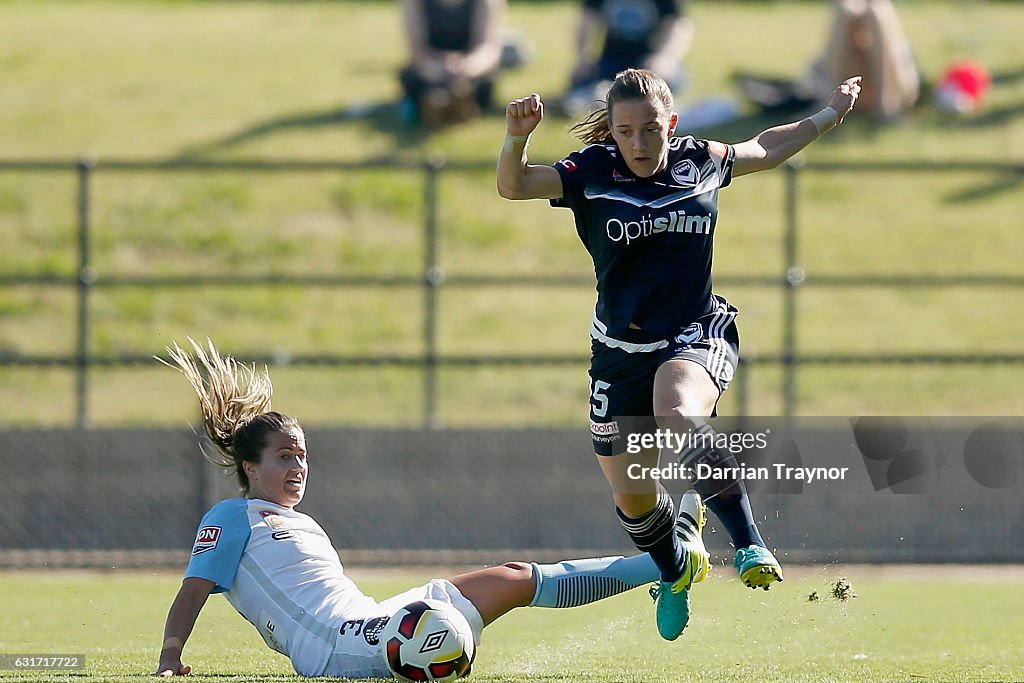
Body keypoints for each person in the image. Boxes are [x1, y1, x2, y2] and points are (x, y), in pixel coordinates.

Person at [496, 68, 861, 641]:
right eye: (625, 132)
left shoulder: (699, 161)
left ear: (672, 122)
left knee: (678, 407)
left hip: (696, 331)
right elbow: (514, 186)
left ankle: (748, 544)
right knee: (635, 500)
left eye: (650, 129)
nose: (639, 144)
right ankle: (676, 570)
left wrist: (828, 114)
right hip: (619, 352)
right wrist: (518, 135)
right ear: (611, 133)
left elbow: (766, 147)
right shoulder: (590, 172)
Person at [154, 338, 709, 677]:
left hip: (371, 620)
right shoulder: (231, 518)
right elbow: (194, 589)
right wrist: (171, 655)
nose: (298, 467)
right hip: (336, 648)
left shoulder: (300, 522)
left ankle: (670, 561)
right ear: (250, 468)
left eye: (302, 456)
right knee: (439, 632)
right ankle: (673, 557)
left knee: (515, 578)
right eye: (283, 457)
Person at [561, 0, 693, 116]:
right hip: (612, 60)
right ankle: (591, 100)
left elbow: (677, 25)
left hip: (649, 61)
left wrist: (665, 58)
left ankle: (604, 99)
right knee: (582, 80)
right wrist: (583, 59)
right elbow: (587, 20)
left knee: (664, 82)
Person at [399, 0, 505, 129]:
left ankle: (447, 101)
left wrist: (464, 68)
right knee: (416, 79)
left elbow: (488, 50)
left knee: (478, 83)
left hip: (470, 70)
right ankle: (449, 102)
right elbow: (418, 52)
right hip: (431, 68)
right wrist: (441, 69)